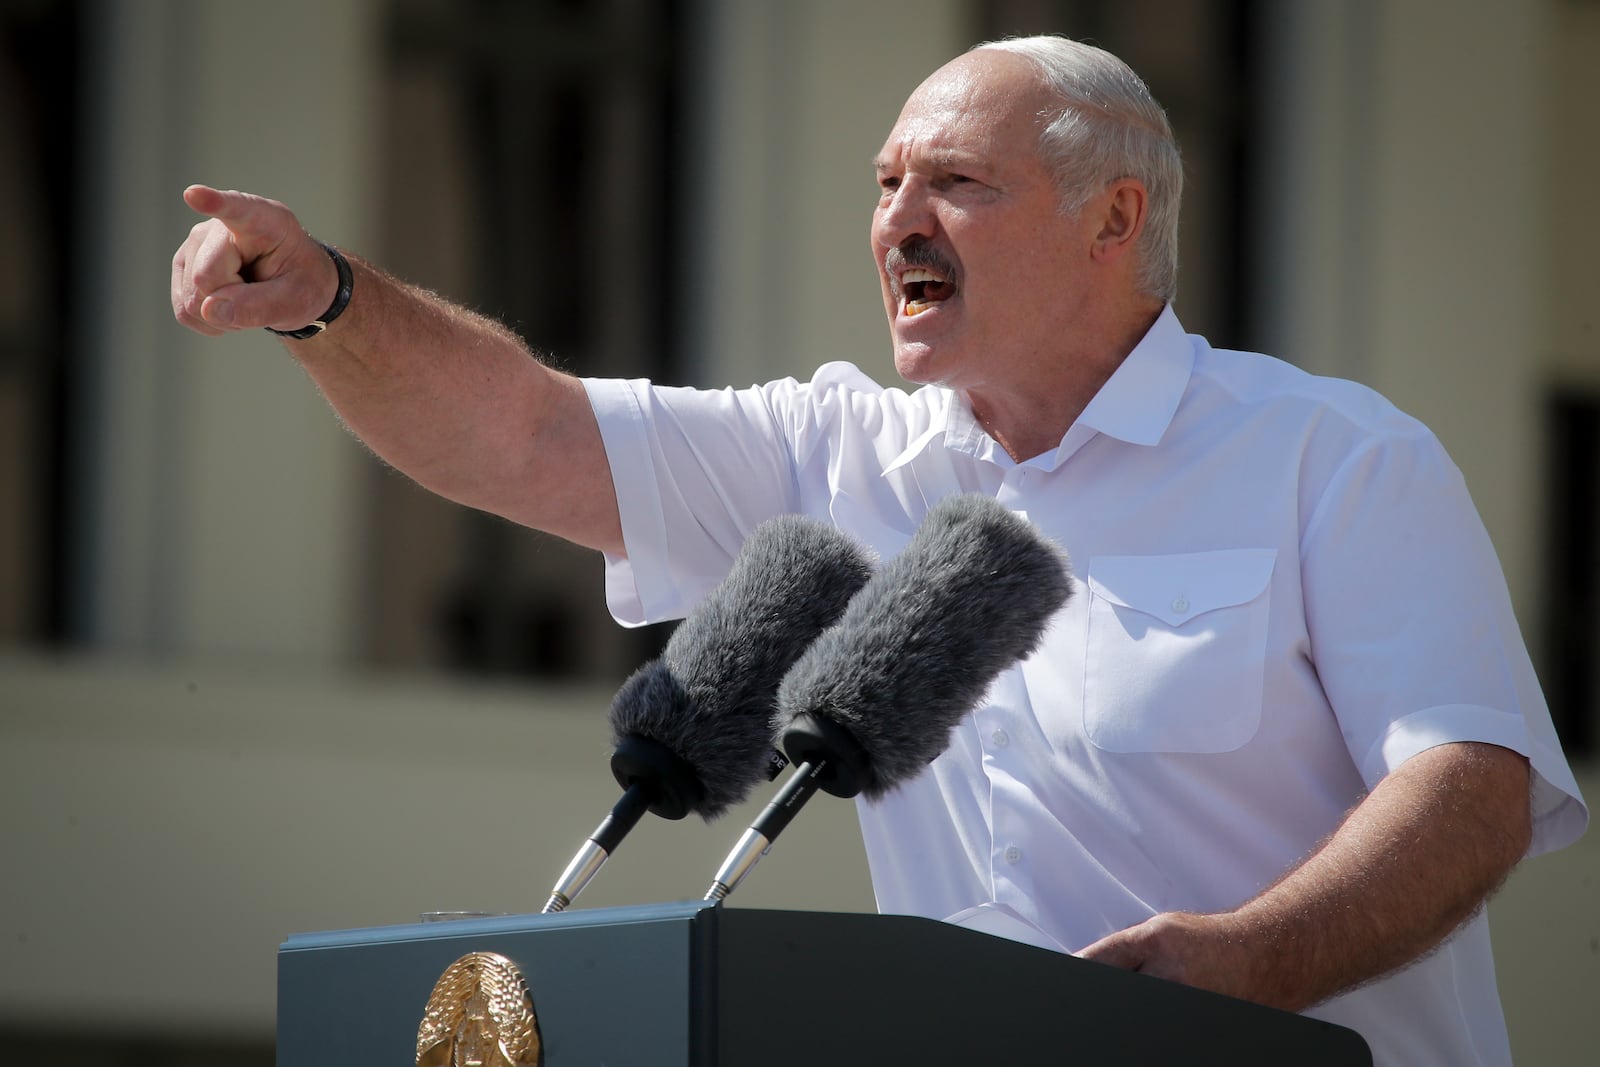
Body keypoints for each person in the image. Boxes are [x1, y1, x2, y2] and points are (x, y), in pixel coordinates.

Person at [171, 34, 1585, 1065]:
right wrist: (331, 303)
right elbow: (528, 438)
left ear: (1115, 219)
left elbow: (1471, 786)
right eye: (885, 181)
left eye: (955, 182)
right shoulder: (839, 455)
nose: (897, 219)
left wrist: (1257, 958)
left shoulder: (1334, 459)